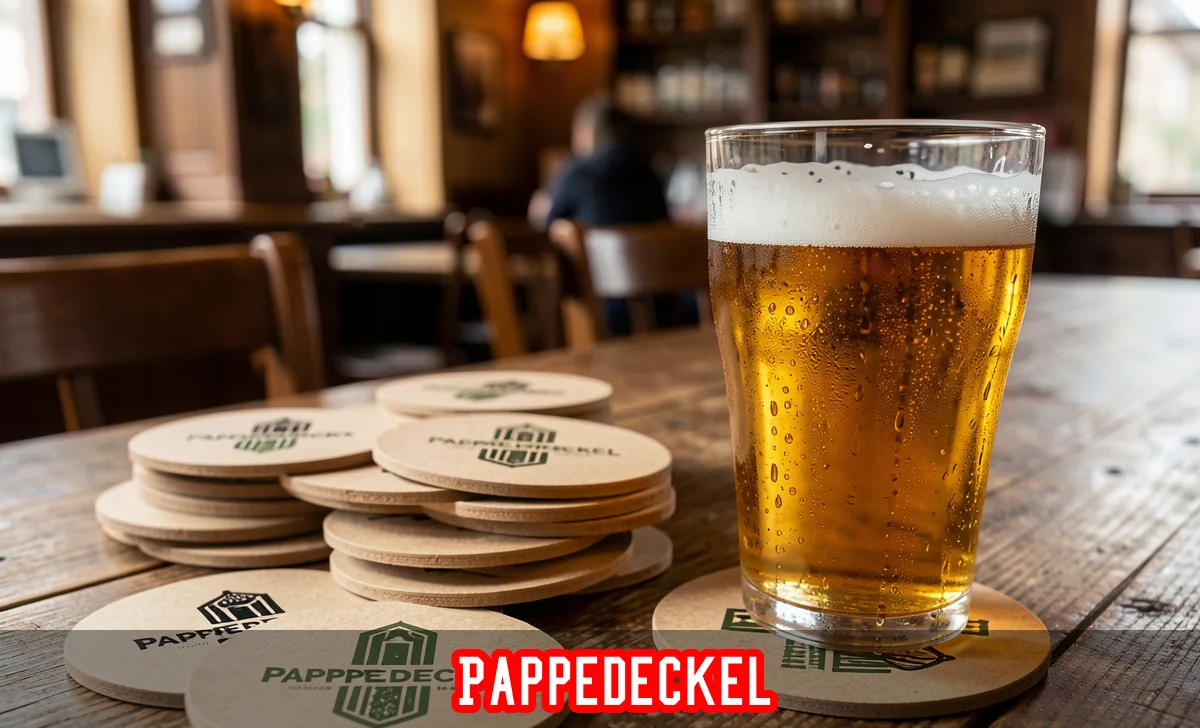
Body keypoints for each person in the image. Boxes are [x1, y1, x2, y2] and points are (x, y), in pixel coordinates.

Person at [529, 94, 667, 228]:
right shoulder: (650, 174)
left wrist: (541, 210)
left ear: (588, 132)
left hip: (590, 245)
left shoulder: (579, 174)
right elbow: (663, 221)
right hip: (645, 245)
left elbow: (551, 225)